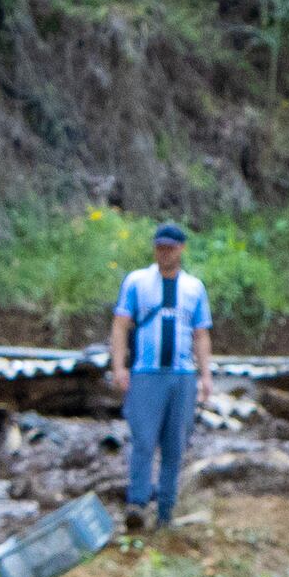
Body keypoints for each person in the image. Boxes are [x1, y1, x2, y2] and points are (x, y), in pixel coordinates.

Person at [107, 221, 212, 533]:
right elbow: (120, 325)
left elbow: (201, 334)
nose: (164, 253)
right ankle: (137, 503)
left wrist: (205, 375)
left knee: (174, 444)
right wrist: (119, 366)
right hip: (146, 373)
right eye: (160, 247)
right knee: (142, 439)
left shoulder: (194, 288)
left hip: (181, 375)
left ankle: (166, 509)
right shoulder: (137, 282)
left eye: (170, 248)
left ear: (180, 250)